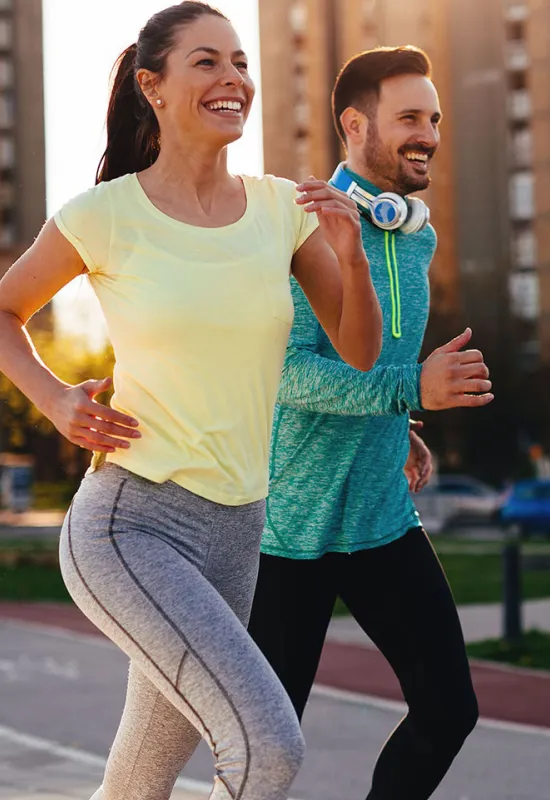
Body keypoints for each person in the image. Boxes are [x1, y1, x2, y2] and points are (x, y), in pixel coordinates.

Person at [0, 4, 381, 800]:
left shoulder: (282, 210)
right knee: (266, 747)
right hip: (130, 524)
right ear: (154, 86)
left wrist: (352, 257)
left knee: (138, 784)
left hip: (238, 532)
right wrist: (55, 400)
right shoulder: (104, 216)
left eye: (240, 62)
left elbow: (360, 350)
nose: (233, 79)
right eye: (206, 62)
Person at [247, 46, 492, 800]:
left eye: (435, 118)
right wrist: (408, 388)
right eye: (410, 118)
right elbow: (286, 375)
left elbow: (373, 361)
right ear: (355, 125)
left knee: (450, 709)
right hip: (290, 529)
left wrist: (402, 421)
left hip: (383, 516)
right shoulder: (298, 227)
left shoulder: (417, 233)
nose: (430, 134)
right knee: (268, 745)